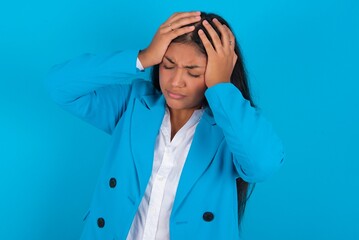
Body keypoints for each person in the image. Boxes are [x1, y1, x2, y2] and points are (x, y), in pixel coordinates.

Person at [46, 11, 284, 240]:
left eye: (193, 72)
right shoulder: (133, 103)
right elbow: (59, 86)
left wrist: (222, 88)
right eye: (168, 65)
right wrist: (142, 58)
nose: (175, 81)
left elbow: (263, 165)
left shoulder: (231, 128)